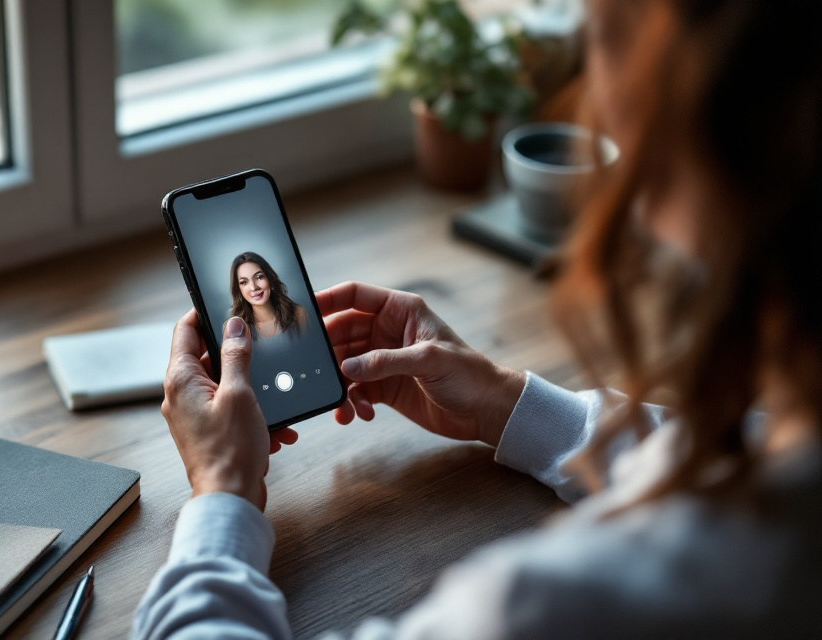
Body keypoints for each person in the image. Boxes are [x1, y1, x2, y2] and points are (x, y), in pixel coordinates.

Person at [133, 0, 822, 637]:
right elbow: (737, 456)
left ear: (691, 96)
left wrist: (222, 494)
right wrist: (506, 403)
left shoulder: (553, 605)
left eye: (599, 40)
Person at [230, 252, 309, 341]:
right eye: (244, 282)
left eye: (259, 277)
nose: (253, 287)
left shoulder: (298, 314)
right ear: (238, 289)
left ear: (269, 278)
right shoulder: (237, 327)